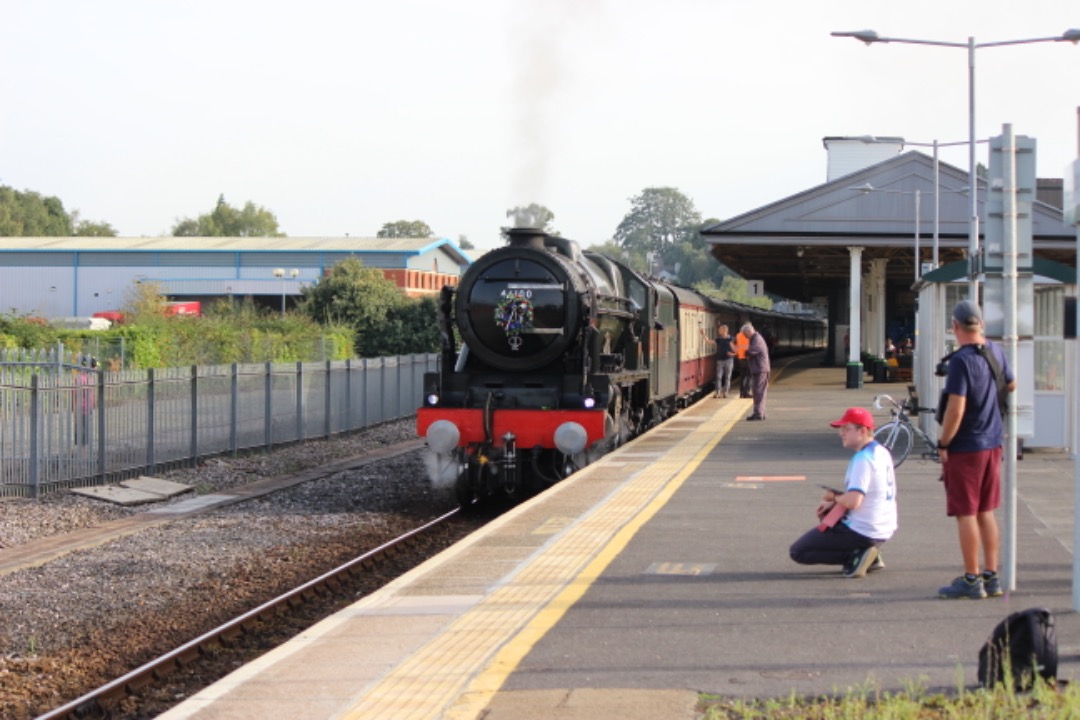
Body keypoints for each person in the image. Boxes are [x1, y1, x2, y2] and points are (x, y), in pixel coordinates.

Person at [936, 300, 1016, 600]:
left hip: (967, 446)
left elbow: (956, 408)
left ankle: (971, 579)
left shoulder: (961, 361)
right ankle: (991, 576)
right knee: (986, 510)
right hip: (993, 442)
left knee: (965, 513)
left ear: (955, 327)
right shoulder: (995, 351)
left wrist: (944, 443)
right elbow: (1012, 384)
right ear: (980, 324)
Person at [790, 407, 897, 578]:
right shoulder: (882, 452)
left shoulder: (862, 459)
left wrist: (834, 497)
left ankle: (858, 556)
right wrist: (837, 499)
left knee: (798, 552)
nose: (841, 433)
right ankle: (870, 555)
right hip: (884, 527)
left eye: (846, 429)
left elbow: (854, 501)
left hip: (863, 529)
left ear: (862, 431)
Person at [741, 322, 770, 421]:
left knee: (758, 392)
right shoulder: (755, 338)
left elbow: (750, 352)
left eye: (745, 334)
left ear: (749, 331)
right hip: (759, 368)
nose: (745, 337)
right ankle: (761, 413)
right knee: (759, 391)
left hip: (760, 369)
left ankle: (758, 413)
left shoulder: (756, 339)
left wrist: (745, 352)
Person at [74, 357, 97, 446]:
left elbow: (91, 393)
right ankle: (82, 453)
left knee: (86, 430)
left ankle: (84, 451)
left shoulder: (89, 378)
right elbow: (76, 394)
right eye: (94, 367)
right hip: (82, 408)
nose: (95, 369)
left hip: (88, 407)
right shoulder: (81, 378)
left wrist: (93, 402)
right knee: (82, 430)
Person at [713, 324, 736, 398]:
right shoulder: (718, 339)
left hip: (729, 360)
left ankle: (726, 392)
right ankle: (718, 392)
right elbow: (709, 342)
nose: (719, 331)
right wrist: (703, 335)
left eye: (720, 329)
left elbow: (735, 350)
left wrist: (732, 354)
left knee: (727, 377)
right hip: (720, 360)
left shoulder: (731, 339)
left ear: (725, 330)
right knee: (718, 377)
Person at [734, 328, 751, 398]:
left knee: (742, 376)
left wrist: (735, 352)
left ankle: (741, 392)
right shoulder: (748, 336)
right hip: (747, 358)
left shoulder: (738, 335)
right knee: (748, 376)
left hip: (740, 358)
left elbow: (732, 343)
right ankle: (746, 392)